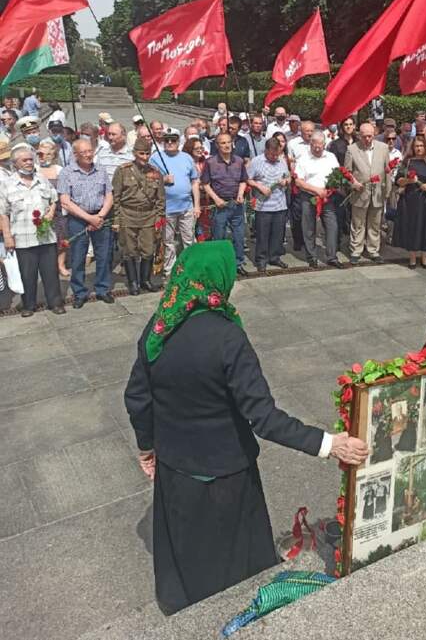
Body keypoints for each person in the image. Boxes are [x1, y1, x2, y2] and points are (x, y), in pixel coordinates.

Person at [124, 242, 368, 613]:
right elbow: (263, 417)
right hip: (226, 470)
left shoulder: (158, 328)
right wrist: (328, 443)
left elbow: (137, 398)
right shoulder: (227, 337)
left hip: (175, 465)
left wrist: (147, 447)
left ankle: (183, 609)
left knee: (186, 547)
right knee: (231, 556)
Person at [0, 146, 65, 317]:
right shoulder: (7, 185)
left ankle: (55, 302)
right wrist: (7, 237)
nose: (29, 163)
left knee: (50, 272)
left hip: (46, 236)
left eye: (31, 159)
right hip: (22, 237)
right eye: (25, 160)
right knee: (27, 274)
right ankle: (29, 305)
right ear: (15, 164)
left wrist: (51, 212)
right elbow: (3, 214)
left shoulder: (41, 179)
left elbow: (53, 199)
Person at [58, 138, 114, 308]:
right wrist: (89, 219)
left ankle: (103, 289)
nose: (89, 155)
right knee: (78, 256)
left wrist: (100, 216)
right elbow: (65, 201)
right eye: (84, 152)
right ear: (75, 154)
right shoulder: (67, 173)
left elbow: (109, 195)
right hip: (78, 218)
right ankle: (79, 292)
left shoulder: (101, 170)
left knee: (104, 254)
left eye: (90, 151)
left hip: (100, 215)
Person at [112, 137, 165, 295]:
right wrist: (116, 220)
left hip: (148, 215)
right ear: (135, 153)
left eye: (147, 153)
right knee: (129, 251)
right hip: (127, 214)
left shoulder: (155, 173)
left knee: (148, 250)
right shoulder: (123, 170)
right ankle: (133, 282)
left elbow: (160, 199)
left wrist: (159, 219)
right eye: (141, 153)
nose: (145, 157)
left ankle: (145, 280)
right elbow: (116, 197)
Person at [149, 128, 200, 278]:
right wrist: (163, 180)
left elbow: (194, 182)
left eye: (173, 140)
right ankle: (170, 269)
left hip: (186, 207)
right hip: (166, 208)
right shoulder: (155, 158)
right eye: (167, 140)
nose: (170, 143)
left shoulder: (187, 158)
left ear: (178, 141)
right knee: (168, 241)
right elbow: (148, 180)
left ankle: (189, 266)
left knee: (189, 239)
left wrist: (196, 205)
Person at [202, 133, 248, 276]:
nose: (227, 145)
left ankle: (238, 263)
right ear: (217, 145)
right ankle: (219, 265)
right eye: (223, 143)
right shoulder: (210, 162)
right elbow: (205, 184)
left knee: (239, 236)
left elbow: (243, 180)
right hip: (220, 205)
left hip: (236, 204)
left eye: (228, 142)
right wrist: (216, 199)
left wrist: (241, 193)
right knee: (219, 236)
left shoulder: (239, 161)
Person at [344, 122, 391, 264]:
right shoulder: (351, 149)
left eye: (370, 136)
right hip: (360, 193)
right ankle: (356, 250)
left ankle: (373, 250)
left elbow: (387, 171)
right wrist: (353, 183)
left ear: (375, 134)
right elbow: (347, 172)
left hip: (377, 193)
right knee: (358, 224)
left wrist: (387, 191)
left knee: (375, 223)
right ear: (359, 135)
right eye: (364, 136)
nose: (367, 139)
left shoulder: (383, 148)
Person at [393, 135, 426, 269]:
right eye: (416, 146)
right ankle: (413, 257)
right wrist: (410, 181)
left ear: (425, 147)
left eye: (421, 146)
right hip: (411, 199)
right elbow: (398, 180)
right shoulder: (407, 162)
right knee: (413, 226)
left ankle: (425, 256)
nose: (419, 149)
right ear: (412, 148)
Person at [295, 131, 342, 268]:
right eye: (314, 146)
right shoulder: (304, 159)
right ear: (310, 144)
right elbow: (298, 181)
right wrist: (316, 191)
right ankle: (312, 256)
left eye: (320, 146)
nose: (317, 148)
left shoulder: (331, 157)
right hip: (309, 196)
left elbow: (338, 174)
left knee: (332, 226)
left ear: (324, 144)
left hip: (327, 196)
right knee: (309, 227)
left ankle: (332, 256)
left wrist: (331, 188)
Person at [246, 137, 290, 272]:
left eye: (276, 154)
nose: (274, 157)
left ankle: (274, 257)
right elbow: (247, 179)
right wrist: (259, 186)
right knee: (263, 234)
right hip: (263, 205)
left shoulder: (281, 161)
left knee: (278, 233)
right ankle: (261, 259)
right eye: (272, 154)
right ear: (266, 150)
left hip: (280, 203)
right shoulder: (256, 162)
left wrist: (286, 181)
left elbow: (288, 176)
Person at [37, 141, 70, 277]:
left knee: (62, 238)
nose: (43, 156)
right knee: (44, 238)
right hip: (39, 210)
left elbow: (64, 190)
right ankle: (47, 266)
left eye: (47, 153)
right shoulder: (34, 169)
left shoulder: (59, 169)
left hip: (58, 210)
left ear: (53, 154)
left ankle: (61, 264)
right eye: (41, 153)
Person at [328, 117, 358, 245]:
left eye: (351, 124)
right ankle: (337, 242)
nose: (348, 127)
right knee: (339, 214)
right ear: (342, 127)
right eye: (346, 124)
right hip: (341, 184)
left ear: (355, 126)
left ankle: (354, 242)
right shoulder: (336, 144)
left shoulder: (359, 143)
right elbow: (333, 166)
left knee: (355, 215)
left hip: (356, 183)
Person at [287, 120, 315, 251]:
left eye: (311, 131)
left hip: (314, 183)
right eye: (306, 131)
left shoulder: (318, 143)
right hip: (298, 184)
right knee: (297, 214)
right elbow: (289, 161)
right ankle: (298, 240)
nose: (309, 134)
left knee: (311, 214)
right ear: (301, 131)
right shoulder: (293, 144)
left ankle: (310, 239)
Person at [182, 137, 210, 241]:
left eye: (201, 147)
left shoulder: (206, 162)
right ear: (190, 149)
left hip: (206, 200)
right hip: (191, 200)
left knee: (206, 227)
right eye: (196, 148)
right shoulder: (185, 163)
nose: (200, 150)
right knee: (194, 228)